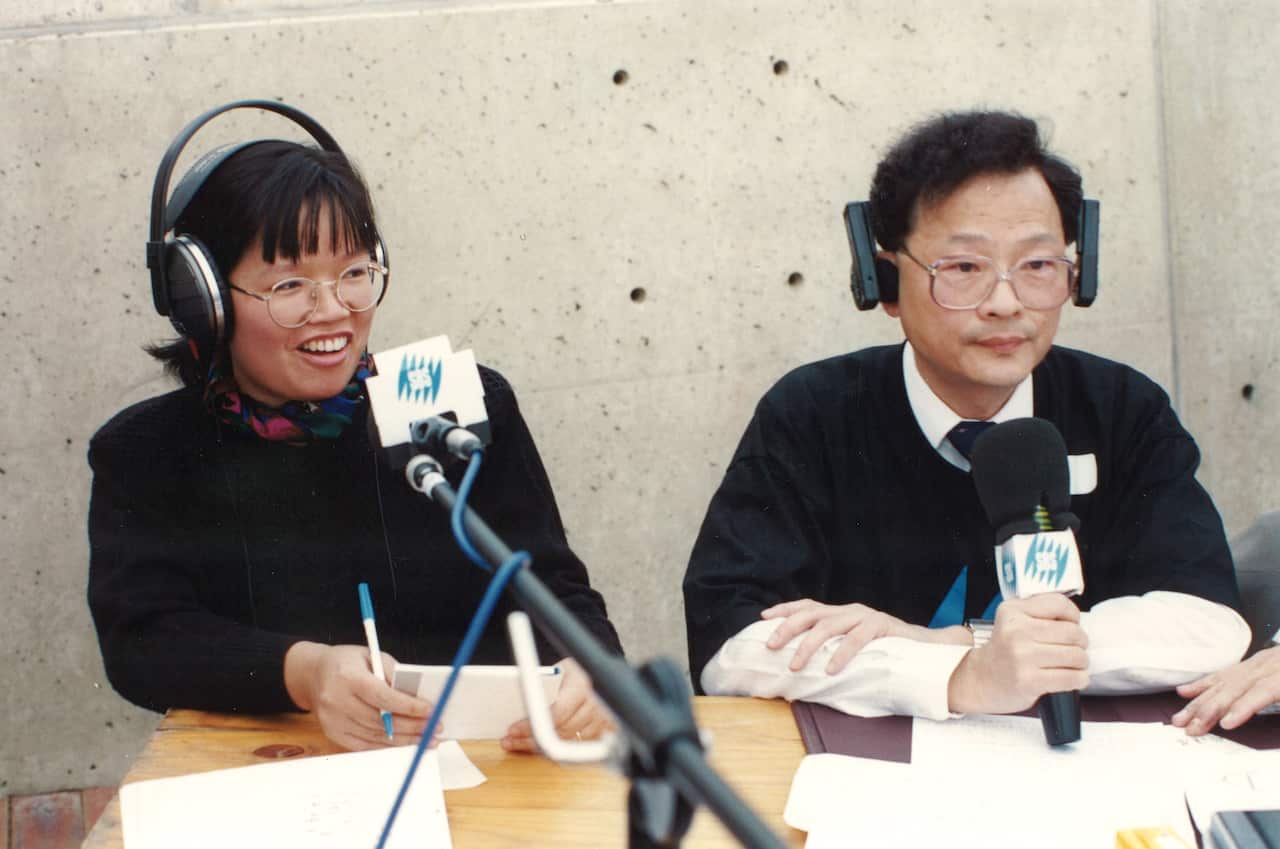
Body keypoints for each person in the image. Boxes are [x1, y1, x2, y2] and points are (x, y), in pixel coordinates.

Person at [682, 110, 1249, 721]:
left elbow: (1208, 624)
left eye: (1037, 266)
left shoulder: (1121, 407)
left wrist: (965, 646)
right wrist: (952, 679)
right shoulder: (814, 411)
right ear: (885, 282)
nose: (1005, 304)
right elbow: (730, 645)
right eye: (963, 269)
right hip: (870, 778)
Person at [88, 104, 622, 752]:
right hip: (272, 770)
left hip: (484, 764)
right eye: (290, 284)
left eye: (354, 273)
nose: (333, 309)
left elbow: (548, 580)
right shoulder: (146, 452)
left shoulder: (459, 404)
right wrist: (305, 672)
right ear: (203, 298)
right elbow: (140, 642)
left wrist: (591, 667)